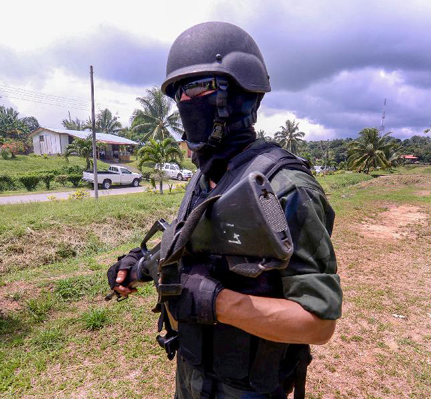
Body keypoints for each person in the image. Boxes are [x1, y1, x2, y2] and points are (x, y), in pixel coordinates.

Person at [108, 22, 342, 398]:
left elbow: (318, 323)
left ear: (242, 94)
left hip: (251, 387)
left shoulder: (285, 188)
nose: (186, 104)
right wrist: (136, 266)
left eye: (198, 88)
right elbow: (194, 248)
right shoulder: (206, 179)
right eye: (178, 94)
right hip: (193, 373)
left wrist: (214, 302)